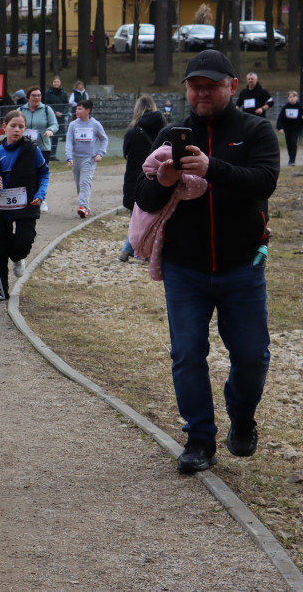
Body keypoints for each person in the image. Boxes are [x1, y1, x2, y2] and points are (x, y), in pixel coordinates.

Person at [134, 49, 280, 474]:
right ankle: (199, 439)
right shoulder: (170, 135)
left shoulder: (255, 130)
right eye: (195, 86)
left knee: (252, 356)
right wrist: (165, 181)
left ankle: (242, 414)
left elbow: (265, 181)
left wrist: (211, 167)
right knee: (186, 354)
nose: (202, 94)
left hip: (242, 266)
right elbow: (141, 198)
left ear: (231, 86)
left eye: (211, 86)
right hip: (185, 269)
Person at [0, 110, 49, 301]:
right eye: (13, 126)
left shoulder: (32, 150)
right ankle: (1, 290)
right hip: (2, 208)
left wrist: (40, 194)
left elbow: (44, 173)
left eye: (21, 127)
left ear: (25, 129)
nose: (17, 130)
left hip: (27, 204)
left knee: (24, 241)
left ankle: (18, 257)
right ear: (4, 127)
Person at [119, 95, 164, 261]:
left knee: (135, 219)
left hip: (135, 178)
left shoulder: (132, 132)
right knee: (155, 218)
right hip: (157, 178)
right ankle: (136, 250)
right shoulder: (163, 132)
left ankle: (129, 250)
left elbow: (126, 153)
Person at [65, 99, 108, 218]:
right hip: (76, 158)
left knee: (85, 182)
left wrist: (100, 153)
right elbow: (69, 142)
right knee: (79, 184)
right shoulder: (73, 125)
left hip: (89, 159)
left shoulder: (95, 124)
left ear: (87, 111)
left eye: (79, 109)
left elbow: (104, 139)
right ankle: (86, 206)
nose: (76, 111)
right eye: (76, 109)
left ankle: (82, 206)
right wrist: (69, 158)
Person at [43, 75, 69, 161]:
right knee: (49, 135)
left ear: (60, 83)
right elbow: (47, 104)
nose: (56, 83)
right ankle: (48, 153)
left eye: (58, 82)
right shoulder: (48, 93)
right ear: (52, 83)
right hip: (51, 116)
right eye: (55, 82)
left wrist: (63, 113)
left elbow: (66, 104)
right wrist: (54, 112)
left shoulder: (63, 93)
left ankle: (53, 155)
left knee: (56, 136)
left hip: (60, 117)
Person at [275, 90, 301, 167]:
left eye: (293, 97)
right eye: (290, 97)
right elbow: (281, 118)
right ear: (288, 98)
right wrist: (280, 128)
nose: (292, 98)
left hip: (296, 128)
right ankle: (290, 157)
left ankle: (292, 160)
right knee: (289, 143)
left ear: (297, 98)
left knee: (293, 142)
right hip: (287, 129)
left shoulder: (300, 107)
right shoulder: (285, 107)